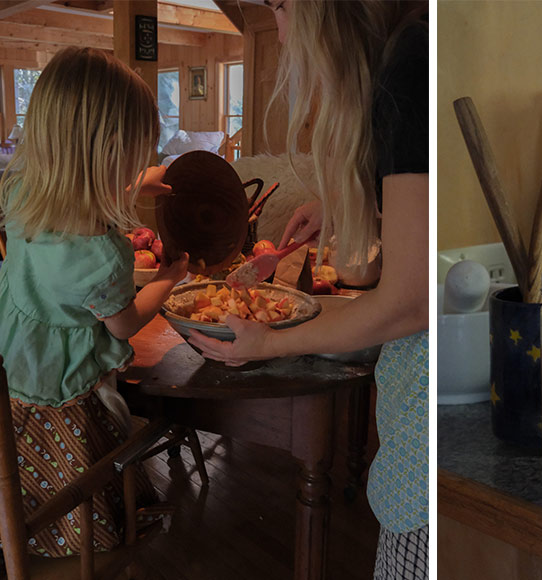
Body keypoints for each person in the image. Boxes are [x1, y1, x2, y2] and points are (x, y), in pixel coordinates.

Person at [188, 1, 429, 577]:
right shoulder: (405, 51)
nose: (278, 26)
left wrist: (267, 343)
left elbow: (408, 301)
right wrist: (340, 203)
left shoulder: (408, 67)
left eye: (280, 4)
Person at [0, 47, 188, 556]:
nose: (139, 163)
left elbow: (78, 192)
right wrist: (169, 278)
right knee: (100, 464)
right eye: (134, 155)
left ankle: (16, 533)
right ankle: (62, 536)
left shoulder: (19, 193)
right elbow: (124, 326)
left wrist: (134, 184)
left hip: (16, 373)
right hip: (62, 399)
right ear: (108, 153)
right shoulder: (102, 257)